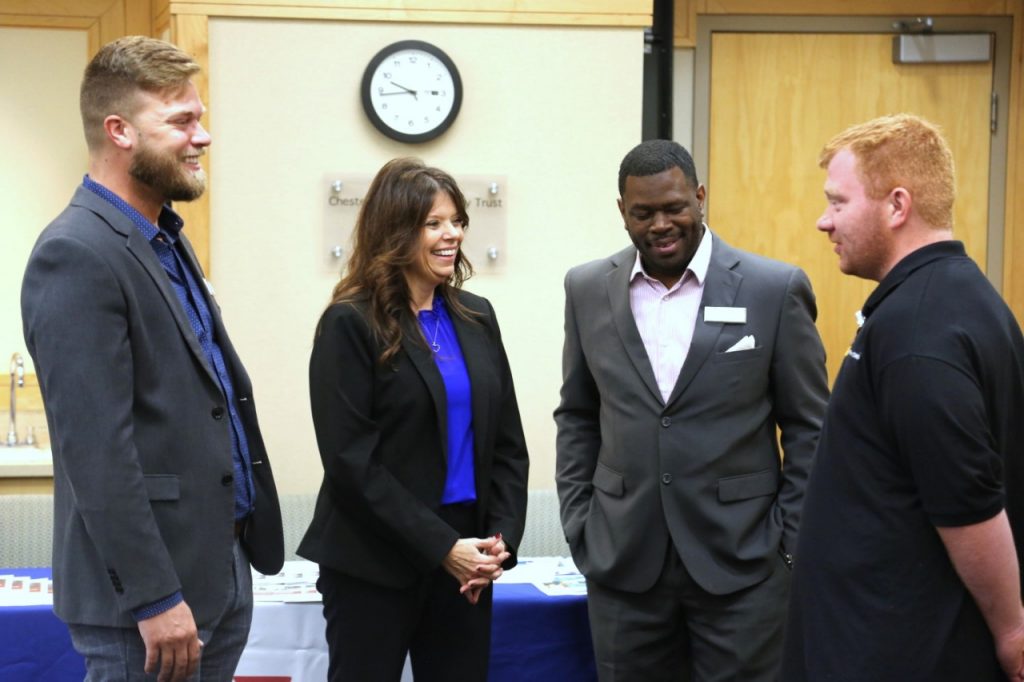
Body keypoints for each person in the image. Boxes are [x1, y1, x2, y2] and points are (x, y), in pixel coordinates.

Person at [20, 36, 284, 681]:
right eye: (182, 121)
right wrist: (154, 597)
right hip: (147, 601)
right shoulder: (75, 254)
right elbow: (95, 450)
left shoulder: (162, 238)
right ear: (120, 132)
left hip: (217, 568)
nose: (204, 137)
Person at [554, 139, 829, 682]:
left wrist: (788, 543)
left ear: (700, 197)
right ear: (622, 211)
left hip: (744, 568)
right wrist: (581, 524)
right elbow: (578, 416)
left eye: (674, 207)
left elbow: (809, 428)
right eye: (643, 213)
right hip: (622, 565)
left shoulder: (774, 289)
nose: (660, 224)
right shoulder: (586, 288)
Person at [781, 114, 1024, 681]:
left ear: (897, 206)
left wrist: (1012, 631)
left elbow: (969, 502)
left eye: (838, 203)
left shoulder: (918, 333)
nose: (823, 221)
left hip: (904, 652)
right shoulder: (962, 298)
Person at [297, 157, 530, 682]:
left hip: (468, 562)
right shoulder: (350, 323)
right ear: (396, 232)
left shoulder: (478, 316)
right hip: (373, 564)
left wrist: (499, 542)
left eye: (456, 220)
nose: (453, 235)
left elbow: (507, 443)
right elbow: (351, 462)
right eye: (434, 223)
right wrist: (441, 547)